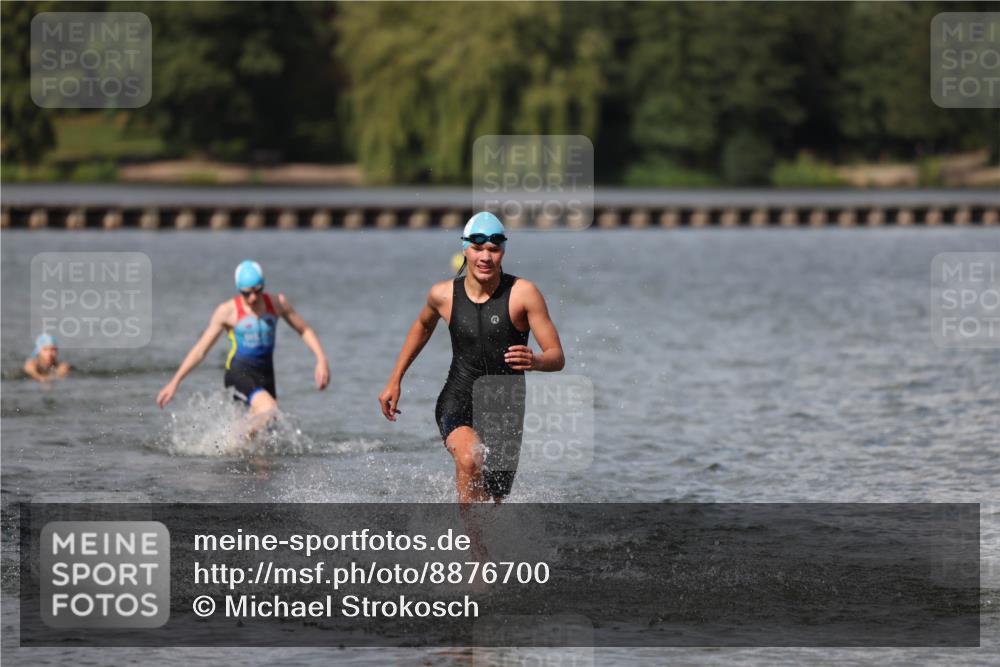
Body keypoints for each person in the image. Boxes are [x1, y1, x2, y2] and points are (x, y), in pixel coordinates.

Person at [379, 212, 565, 504]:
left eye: (493, 249)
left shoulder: (523, 294)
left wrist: (537, 361)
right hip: (458, 398)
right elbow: (422, 326)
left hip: (505, 409)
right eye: (478, 248)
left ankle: (481, 544)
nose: (485, 257)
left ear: (503, 250)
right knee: (469, 458)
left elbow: (557, 356)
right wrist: (395, 380)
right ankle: (473, 550)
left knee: (493, 503)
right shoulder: (442, 295)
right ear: (465, 248)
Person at [156, 260, 330, 425]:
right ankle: (234, 442)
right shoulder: (227, 311)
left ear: (263, 285)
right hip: (239, 373)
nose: (253, 297)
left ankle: (237, 444)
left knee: (265, 434)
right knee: (269, 409)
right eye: (247, 293)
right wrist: (175, 382)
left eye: (258, 290)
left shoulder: (277, 304)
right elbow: (201, 350)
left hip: (266, 375)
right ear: (239, 290)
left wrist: (321, 359)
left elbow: (304, 330)